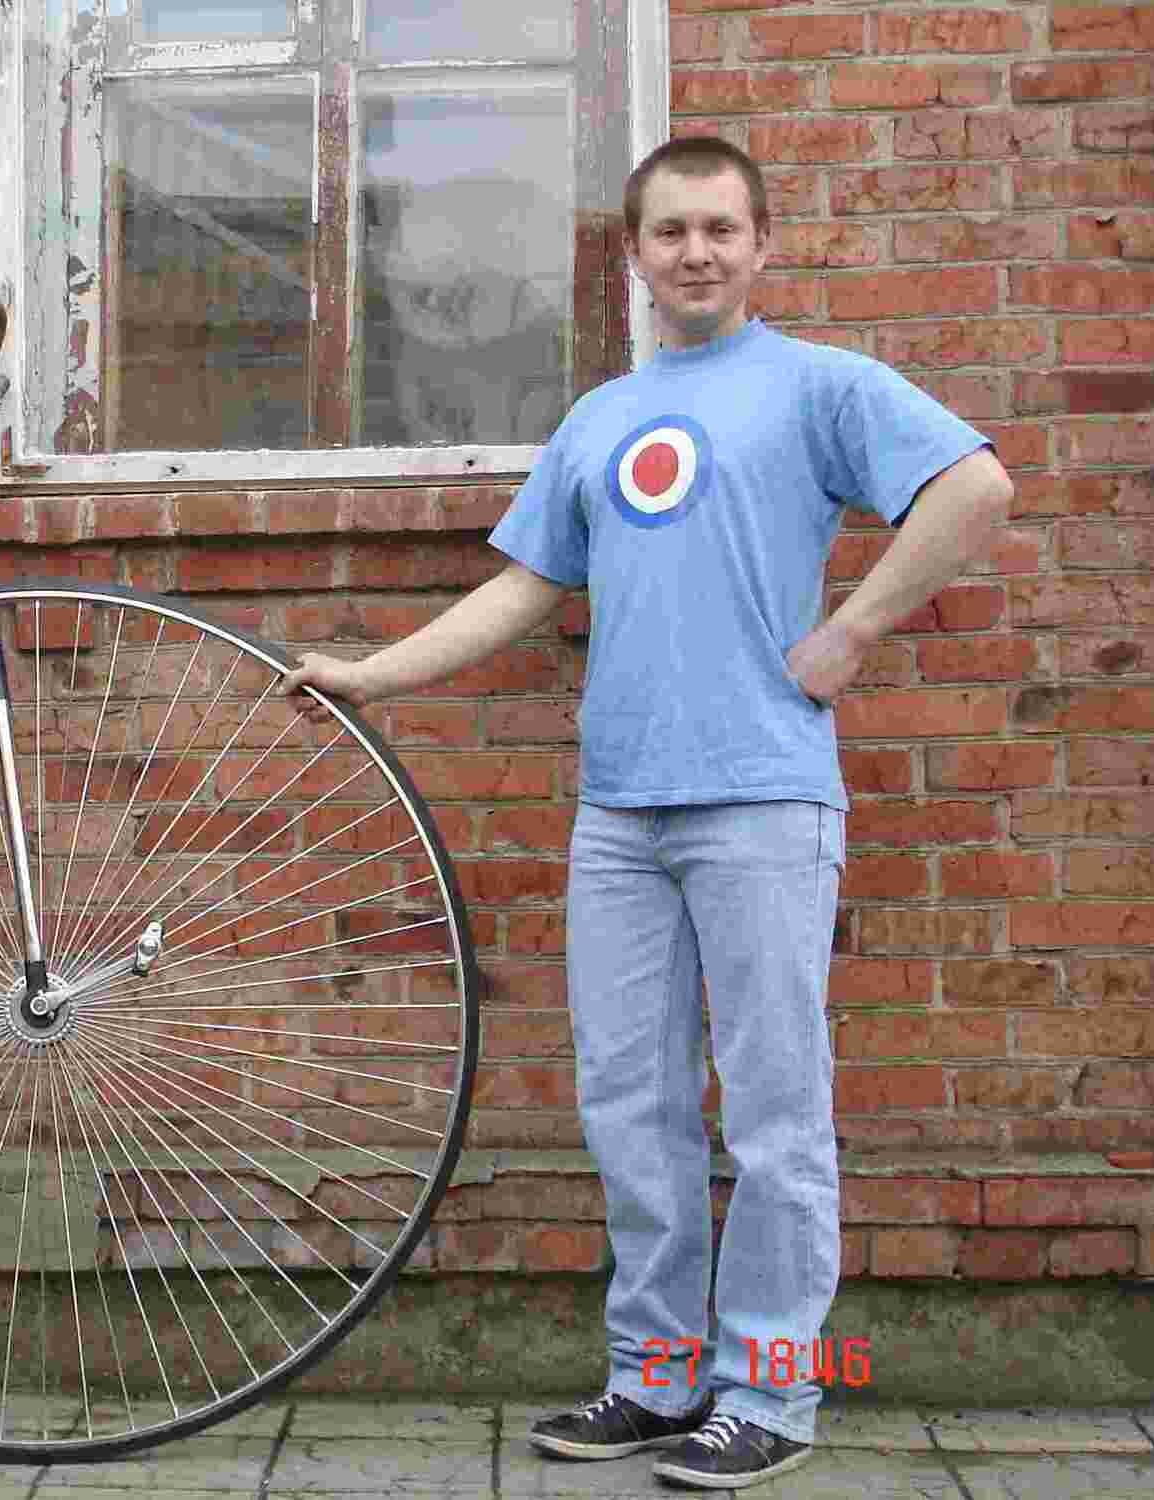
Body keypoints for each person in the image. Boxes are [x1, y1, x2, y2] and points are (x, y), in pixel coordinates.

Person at [282, 136, 1011, 1491]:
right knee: (633, 1108)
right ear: (634, 255)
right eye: (671, 231)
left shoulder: (816, 385)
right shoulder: (602, 419)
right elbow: (523, 588)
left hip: (763, 803)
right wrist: (373, 675)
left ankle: (772, 1396)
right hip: (620, 817)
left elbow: (975, 485)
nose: (697, 252)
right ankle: (658, 1378)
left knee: (775, 1117)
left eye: (721, 228)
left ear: (762, 243)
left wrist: (851, 632)